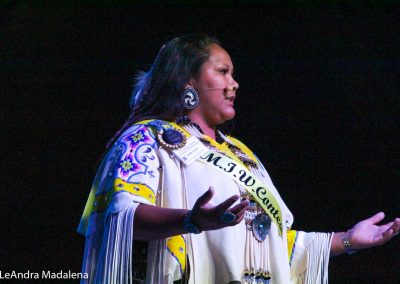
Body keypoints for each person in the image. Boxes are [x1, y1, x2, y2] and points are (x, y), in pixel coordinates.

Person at [78, 33, 400, 284]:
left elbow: (271, 243)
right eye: (223, 72)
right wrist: (192, 220)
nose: (234, 84)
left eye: (233, 74)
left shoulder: (243, 155)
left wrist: (347, 240)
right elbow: (121, 217)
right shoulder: (149, 138)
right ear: (188, 82)